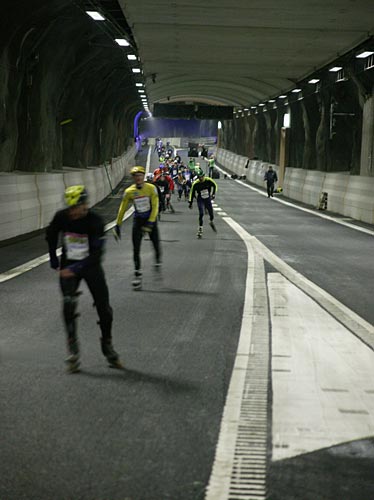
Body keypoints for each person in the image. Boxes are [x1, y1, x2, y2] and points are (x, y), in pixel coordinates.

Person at [46, 185, 122, 372]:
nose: (73, 213)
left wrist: (74, 269)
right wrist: (53, 258)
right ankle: (73, 349)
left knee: (104, 307)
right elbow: (51, 233)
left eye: (76, 208)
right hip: (69, 263)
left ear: (85, 205)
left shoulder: (95, 222)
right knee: (68, 302)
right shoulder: (62, 216)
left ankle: (107, 344)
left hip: (90, 266)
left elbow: (97, 254)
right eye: (70, 208)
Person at [114, 166, 161, 290]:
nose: (138, 178)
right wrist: (118, 224)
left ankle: (157, 262)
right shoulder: (129, 191)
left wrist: (151, 222)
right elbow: (122, 208)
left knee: (156, 244)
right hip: (138, 221)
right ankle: (137, 275)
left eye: (140, 175)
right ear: (133, 178)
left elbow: (155, 206)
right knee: (136, 249)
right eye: (135, 176)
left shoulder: (151, 188)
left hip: (150, 219)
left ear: (143, 176)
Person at [189, 168, 218, 238]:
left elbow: (215, 185)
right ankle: (200, 228)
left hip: (207, 198)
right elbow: (192, 192)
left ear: (204, 176)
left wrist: (213, 193)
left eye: (202, 177)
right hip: (200, 198)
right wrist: (190, 202)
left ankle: (211, 221)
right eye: (199, 177)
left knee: (211, 213)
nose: (201, 178)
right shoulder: (196, 183)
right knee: (201, 213)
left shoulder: (208, 180)